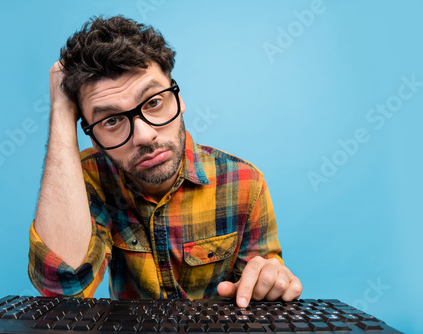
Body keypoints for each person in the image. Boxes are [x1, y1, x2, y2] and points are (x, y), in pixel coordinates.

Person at [28, 15, 302, 308]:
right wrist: (60, 109)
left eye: (154, 102)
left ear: (178, 98)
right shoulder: (88, 178)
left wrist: (269, 279)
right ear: (93, 138)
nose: (144, 136)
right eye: (111, 120)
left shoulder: (245, 182)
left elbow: (261, 294)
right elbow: (62, 289)